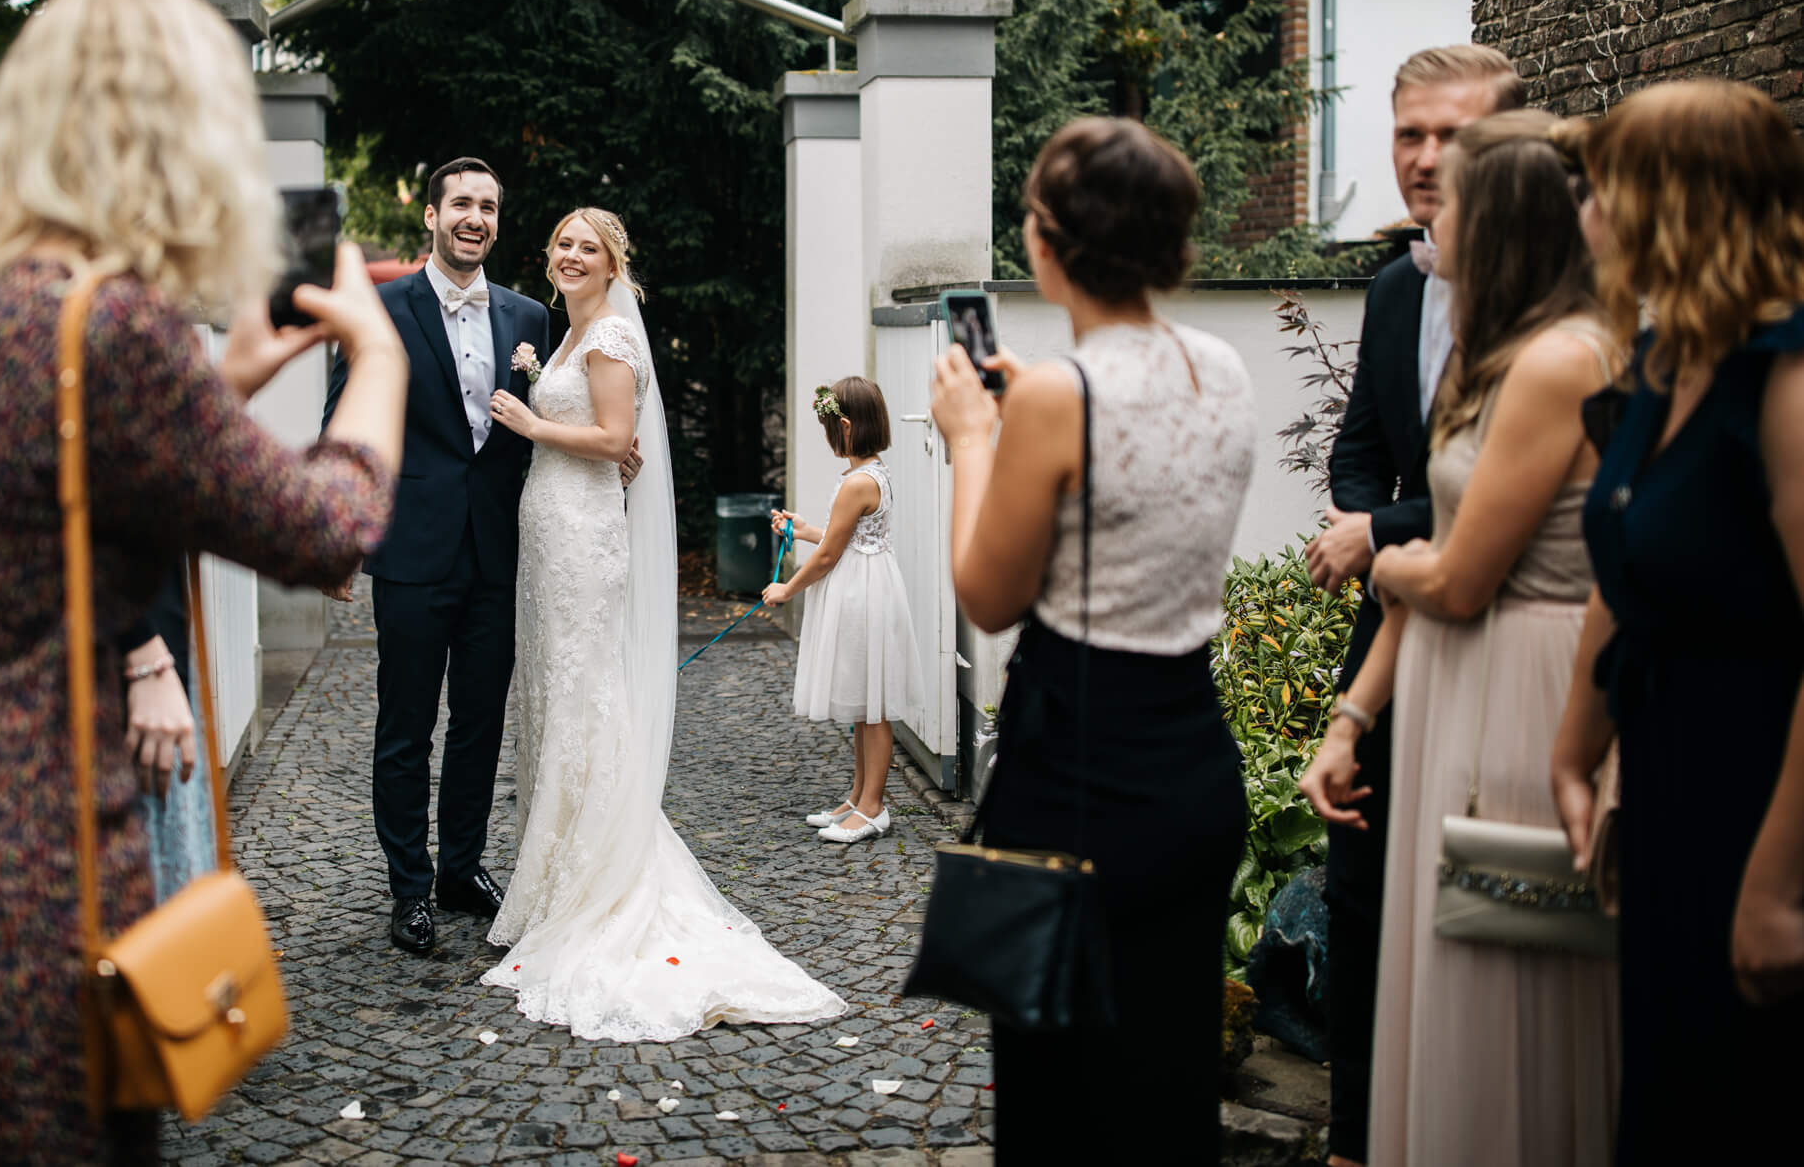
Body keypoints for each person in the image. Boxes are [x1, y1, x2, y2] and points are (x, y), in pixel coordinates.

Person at [0, 0, 406, 1165]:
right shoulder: (112, 330)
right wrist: (377, 358)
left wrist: (227, 381)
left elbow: (38, 491)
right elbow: (329, 528)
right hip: (2, 874)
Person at [930, 118, 1254, 1164]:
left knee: (1060, 1097)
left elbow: (987, 597)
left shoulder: (1058, 399)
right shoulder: (1220, 366)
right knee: (1164, 1077)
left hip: (1080, 763)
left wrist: (974, 438)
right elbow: (1132, 472)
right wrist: (1034, 404)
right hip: (1191, 753)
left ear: (1048, 241)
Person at [1300, 112, 1620, 1165]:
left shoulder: (1562, 362)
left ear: (1505, 227)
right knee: (1443, 966)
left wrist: (1383, 555)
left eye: (1454, 220)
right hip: (1444, 679)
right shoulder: (1494, 361)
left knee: (1504, 976)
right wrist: (1352, 718)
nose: (1431, 243)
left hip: (1517, 691)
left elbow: (1457, 573)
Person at [481, 207, 846, 1039]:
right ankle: (554, 876)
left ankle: (598, 877)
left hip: (582, 538)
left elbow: (615, 436)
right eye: (564, 244)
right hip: (550, 530)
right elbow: (616, 442)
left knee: (584, 694)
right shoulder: (566, 336)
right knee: (555, 695)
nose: (573, 256)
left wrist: (534, 423)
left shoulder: (609, 336)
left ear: (614, 266)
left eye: (590, 248)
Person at [1548, 79, 1804, 1162]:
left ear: (1673, 203)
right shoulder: (1663, 364)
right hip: (1667, 781)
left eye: (1603, 188)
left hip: (1763, 790)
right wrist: (1575, 752)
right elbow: (1625, 571)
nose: (1588, 213)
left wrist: (1777, 887)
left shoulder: (1784, 378)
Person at [1302, 42, 1524, 1166]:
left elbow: (1516, 484)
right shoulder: (1395, 288)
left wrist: (1378, 533)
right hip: (1389, 630)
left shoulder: (1554, 296)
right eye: (1409, 134)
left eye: (1455, 134)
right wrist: (1361, 522)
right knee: (1358, 886)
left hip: (1509, 636)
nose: (1427, 157)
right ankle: (1356, 1137)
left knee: (1491, 903)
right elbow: (1360, 448)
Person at [322, 156, 551, 955]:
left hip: (497, 551)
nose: (474, 218)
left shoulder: (529, 317)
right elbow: (347, 423)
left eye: (488, 206)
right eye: (461, 203)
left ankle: (460, 868)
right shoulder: (381, 309)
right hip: (413, 548)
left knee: (480, 723)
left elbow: (546, 426)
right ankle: (409, 888)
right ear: (431, 215)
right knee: (406, 727)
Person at [765, 376, 920, 845]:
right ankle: (857, 797)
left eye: (829, 428)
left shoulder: (858, 483)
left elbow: (830, 555)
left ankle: (873, 808)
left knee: (873, 709)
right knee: (863, 703)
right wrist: (805, 529)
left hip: (861, 594)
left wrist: (787, 589)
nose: (828, 437)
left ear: (847, 426)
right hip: (868, 584)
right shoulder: (873, 473)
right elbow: (845, 537)